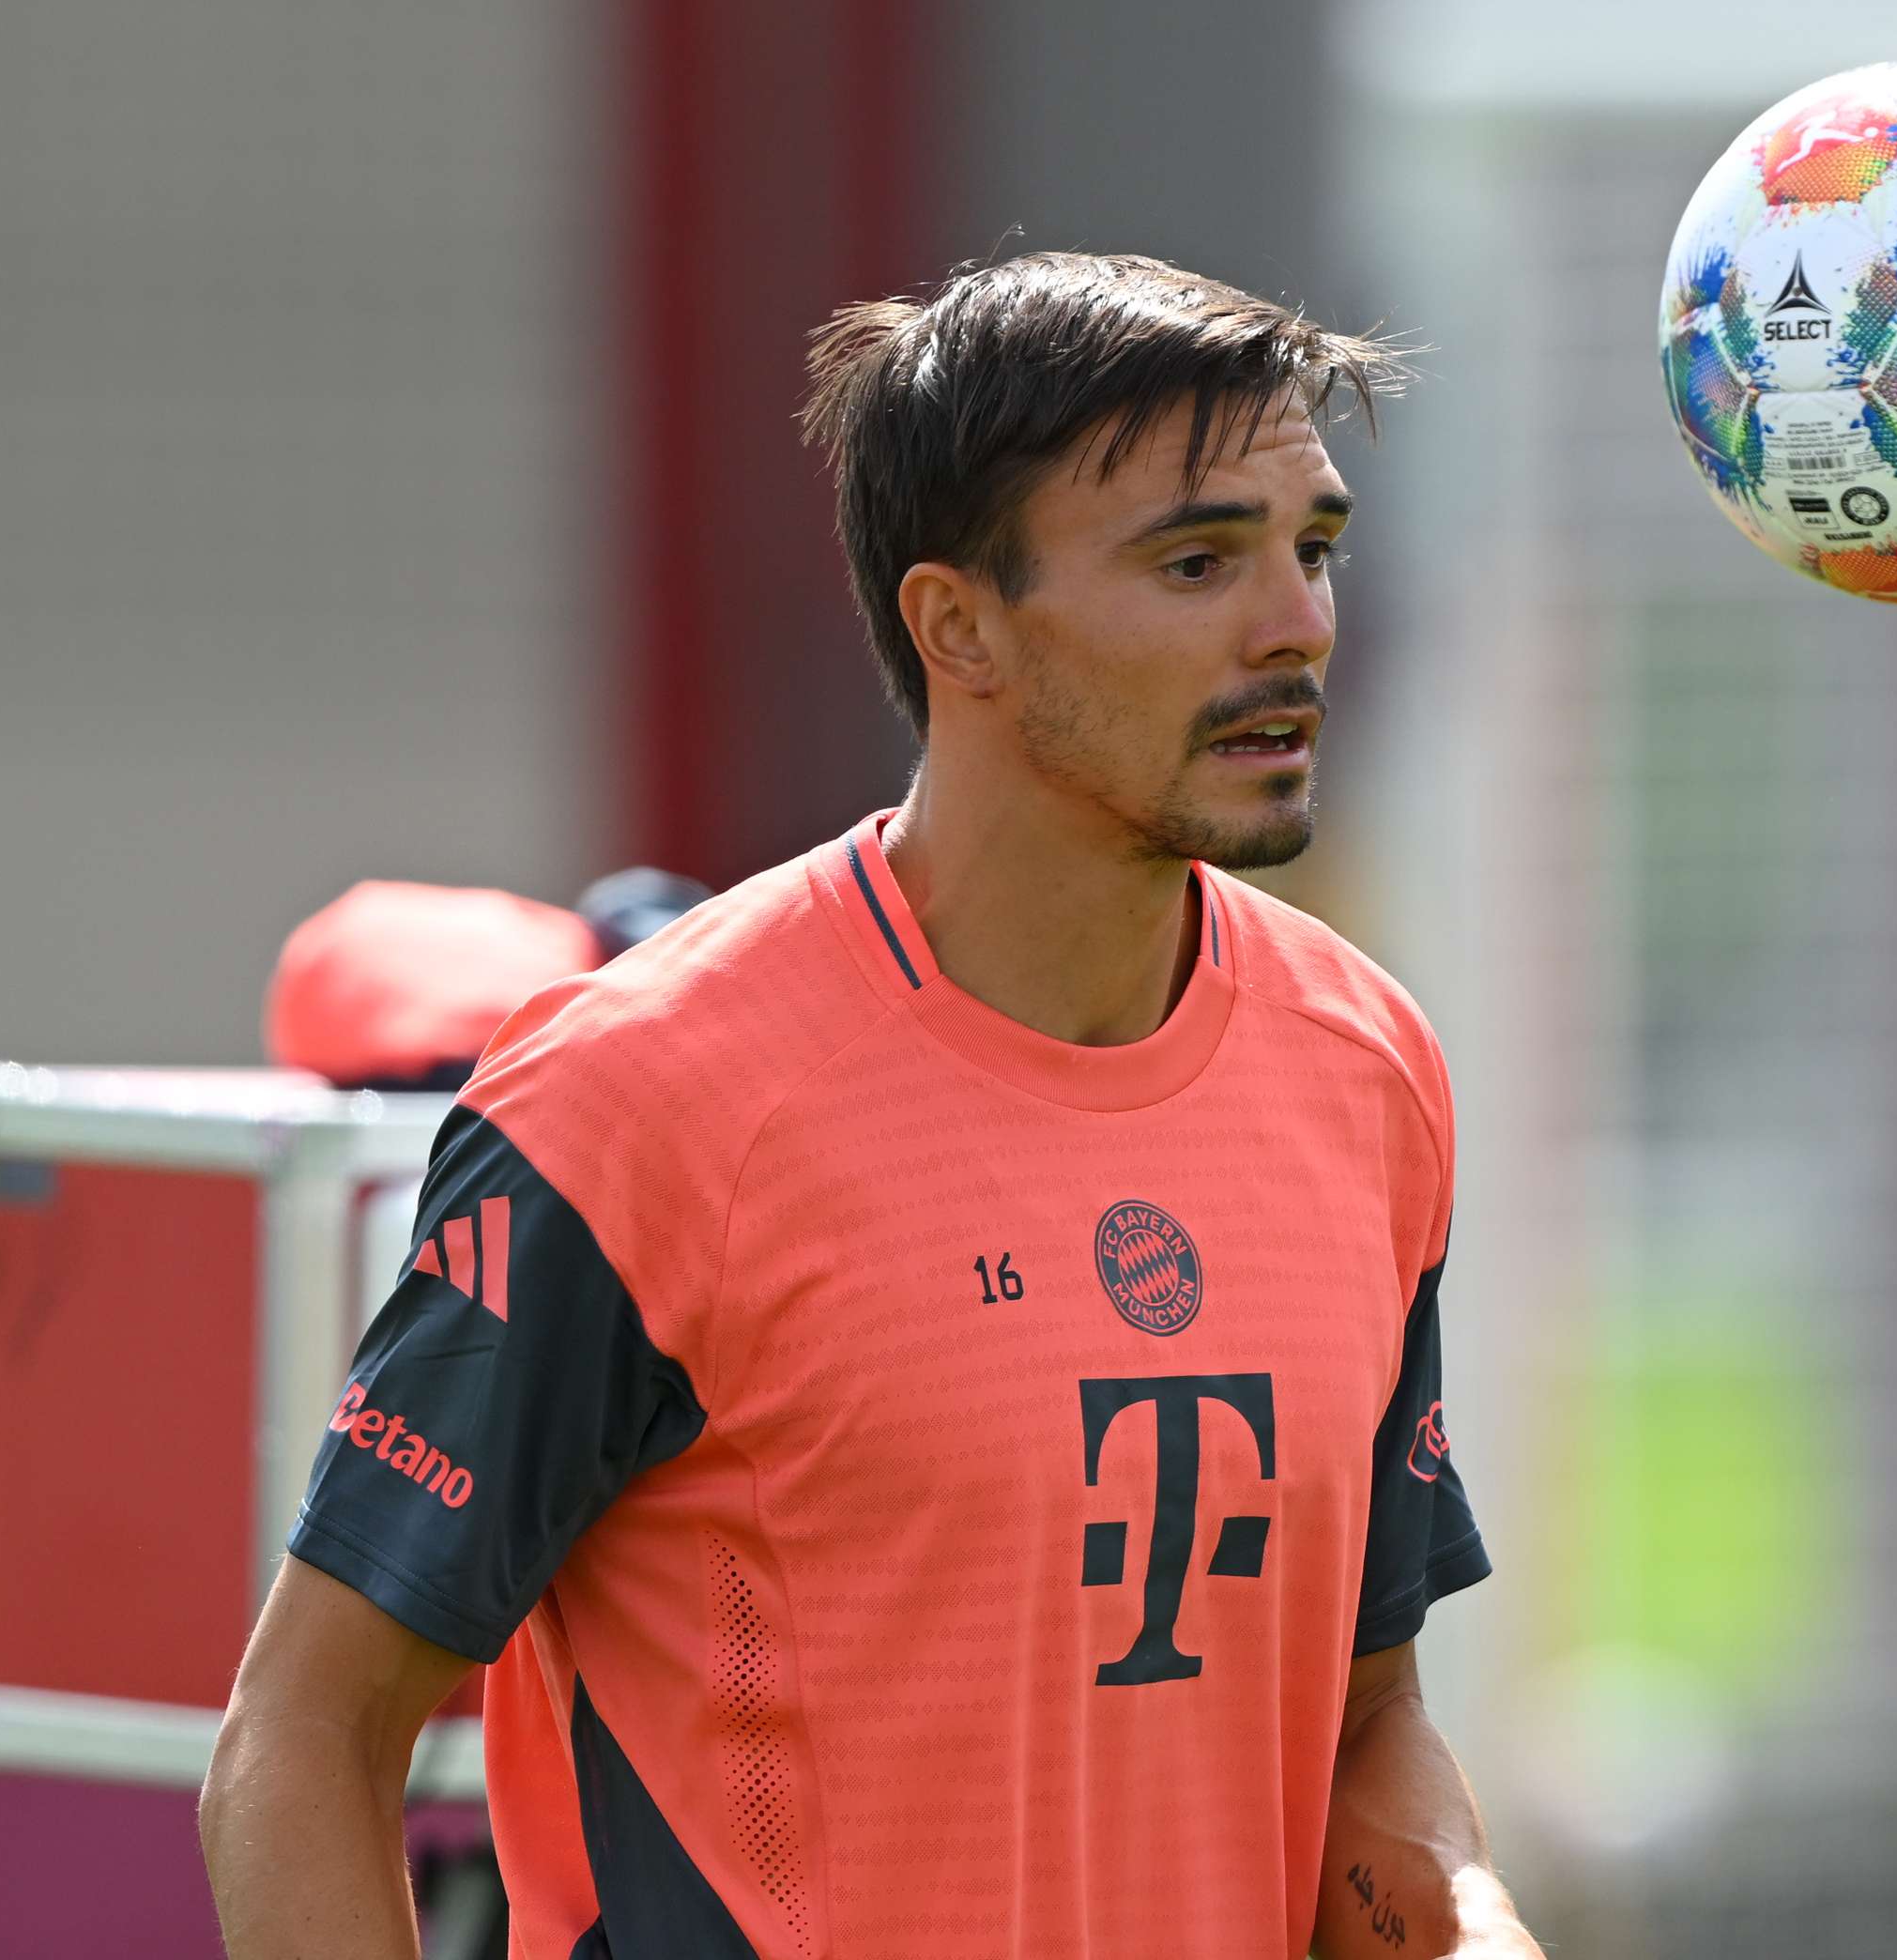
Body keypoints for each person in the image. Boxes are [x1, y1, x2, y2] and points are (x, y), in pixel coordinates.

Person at [201, 252, 1539, 1960]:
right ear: (955, 625)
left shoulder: (1369, 1066)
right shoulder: (642, 1100)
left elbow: (1362, 1723)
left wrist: (1467, 1924)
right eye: (1199, 561)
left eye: (1314, 549)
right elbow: (304, 1739)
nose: (1295, 624)